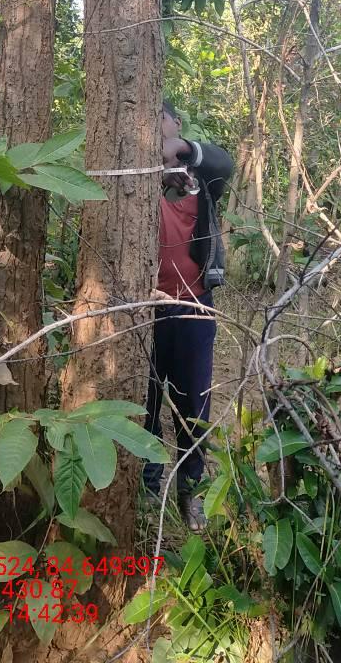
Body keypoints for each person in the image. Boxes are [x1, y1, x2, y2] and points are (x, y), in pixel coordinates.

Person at [143, 100, 233, 531]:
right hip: (143, 310)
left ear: (176, 124)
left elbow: (224, 162)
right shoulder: (135, 178)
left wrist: (181, 151)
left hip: (195, 307)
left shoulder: (202, 176)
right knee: (144, 402)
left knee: (193, 403)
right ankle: (147, 488)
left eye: (159, 117)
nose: (153, 125)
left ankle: (190, 491)